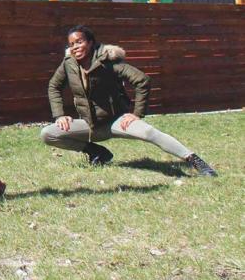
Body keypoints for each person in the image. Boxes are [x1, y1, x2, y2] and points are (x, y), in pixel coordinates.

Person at [40, 25, 217, 176]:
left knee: (149, 133)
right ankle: (97, 153)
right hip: (90, 126)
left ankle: (196, 162)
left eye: (79, 42)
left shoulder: (108, 62)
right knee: (48, 134)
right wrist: (60, 115)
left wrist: (136, 114)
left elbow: (142, 81)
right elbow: (53, 86)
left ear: (91, 43)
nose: (75, 47)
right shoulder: (68, 64)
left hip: (117, 121)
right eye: (71, 44)